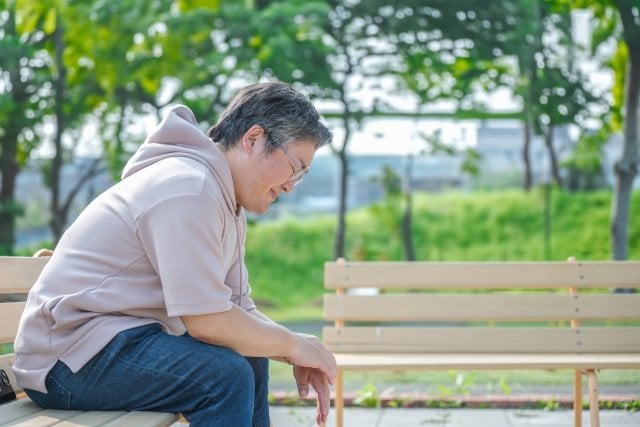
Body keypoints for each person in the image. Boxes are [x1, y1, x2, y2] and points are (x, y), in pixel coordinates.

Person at [13, 82, 337, 426]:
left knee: (250, 355)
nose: (291, 184)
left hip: (114, 343)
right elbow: (208, 322)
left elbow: (238, 310)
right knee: (224, 376)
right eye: (295, 167)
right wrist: (292, 345)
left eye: (301, 176)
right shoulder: (189, 187)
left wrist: (294, 347)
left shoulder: (223, 199)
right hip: (67, 360)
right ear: (253, 139)